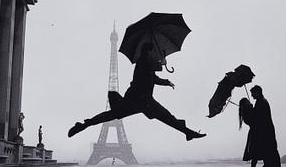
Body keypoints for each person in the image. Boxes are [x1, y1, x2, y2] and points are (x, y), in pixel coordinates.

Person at [68, 42, 206, 141]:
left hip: (143, 101)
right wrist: (162, 63)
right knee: (167, 117)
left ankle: (188, 133)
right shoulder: (143, 61)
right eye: (154, 51)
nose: (155, 54)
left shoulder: (148, 63)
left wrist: (166, 82)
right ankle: (83, 125)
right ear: (149, 51)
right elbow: (153, 68)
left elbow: (153, 78)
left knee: (167, 117)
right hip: (137, 100)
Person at [250, 85, 283, 167]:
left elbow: (259, 118)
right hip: (268, 131)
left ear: (258, 92)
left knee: (268, 151)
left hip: (265, 132)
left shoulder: (261, 102)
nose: (252, 96)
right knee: (270, 151)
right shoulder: (261, 101)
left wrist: (252, 111)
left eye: (253, 93)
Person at [239, 97, 261, 167]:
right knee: (255, 153)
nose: (249, 102)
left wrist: (252, 109)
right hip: (255, 133)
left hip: (253, 133)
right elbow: (255, 118)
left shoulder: (245, 113)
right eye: (248, 102)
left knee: (254, 153)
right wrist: (253, 109)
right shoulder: (247, 113)